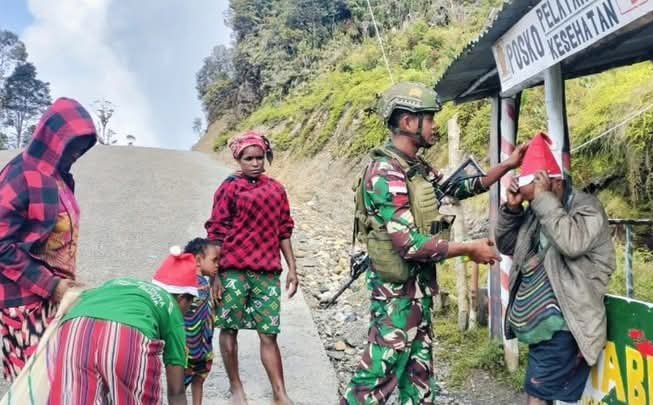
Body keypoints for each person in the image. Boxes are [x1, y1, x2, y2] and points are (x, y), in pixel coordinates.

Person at [341, 82, 527, 405]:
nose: (435, 125)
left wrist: (507, 166)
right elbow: (410, 245)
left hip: (418, 298)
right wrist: (468, 249)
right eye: (430, 118)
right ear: (409, 123)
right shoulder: (385, 173)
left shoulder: (417, 168)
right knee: (370, 390)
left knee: (420, 387)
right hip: (395, 302)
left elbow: (460, 187)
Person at [495, 132, 616, 405]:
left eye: (535, 196)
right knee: (543, 396)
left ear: (555, 183)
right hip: (543, 324)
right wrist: (512, 211)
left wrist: (542, 199)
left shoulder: (587, 209)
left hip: (567, 324)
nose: (532, 202)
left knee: (536, 398)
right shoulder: (541, 210)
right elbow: (508, 245)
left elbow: (571, 243)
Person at [0, 97, 96, 382]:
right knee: (34, 386)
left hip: (56, 297)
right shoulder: (20, 175)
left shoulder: (59, 178)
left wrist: (60, 287)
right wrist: (51, 285)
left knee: (60, 382)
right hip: (24, 302)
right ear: (53, 138)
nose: (78, 152)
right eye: (73, 144)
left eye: (83, 146)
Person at [205, 130, 298, 405]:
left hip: (267, 271)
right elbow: (217, 231)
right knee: (229, 328)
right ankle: (236, 387)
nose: (255, 163)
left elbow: (284, 230)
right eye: (249, 158)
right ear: (239, 159)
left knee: (269, 333)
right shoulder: (229, 188)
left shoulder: (276, 189)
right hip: (233, 271)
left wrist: (292, 267)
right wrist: (215, 276)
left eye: (259, 157)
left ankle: (279, 393)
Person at [46, 248, 200, 405]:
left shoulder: (120, 284)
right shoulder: (172, 308)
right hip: (125, 337)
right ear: (182, 299)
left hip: (76, 329)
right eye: (190, 306)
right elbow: (176, 392)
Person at [181, 238, 221, 405]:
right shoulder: (185, 285)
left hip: (203, 346)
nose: (217, 265)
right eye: (214, 260)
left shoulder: (206, 284)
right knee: (181, 385)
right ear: (198, 260)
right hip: (186, 347)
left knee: (199, 380)